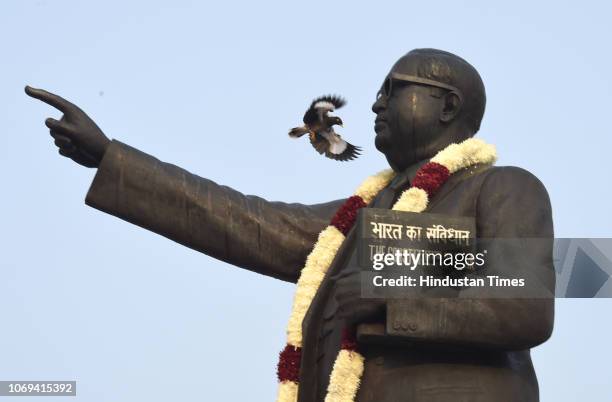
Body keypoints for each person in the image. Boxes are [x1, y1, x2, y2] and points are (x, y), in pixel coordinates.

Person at [26, 48, 554, 402]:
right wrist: (112, 159)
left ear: (448, 106)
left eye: (393, 89)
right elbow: (248, 222)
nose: (375, 103)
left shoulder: (503, 187)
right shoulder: (357, 218)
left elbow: (526, 307)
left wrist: (391, 296)